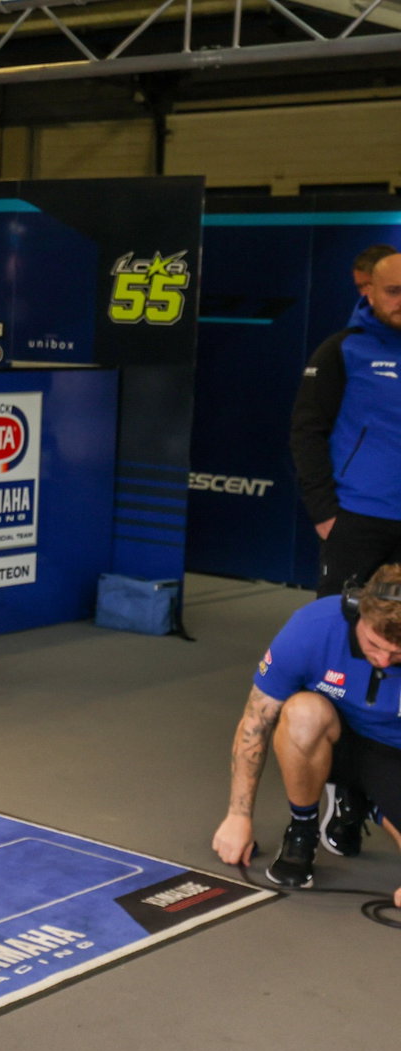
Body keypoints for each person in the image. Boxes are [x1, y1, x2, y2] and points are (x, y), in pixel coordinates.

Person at [211, 565, 401, 907]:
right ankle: (303, 828)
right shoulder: (313, 627)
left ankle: (364, 801)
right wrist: (238, 816)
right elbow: (256, 721)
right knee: (302, 711)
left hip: (392, 750)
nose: (384, 660)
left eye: (397, 653)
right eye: (374, 643)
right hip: (330, 734)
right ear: (358, 610)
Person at [291, 251, 401, 597]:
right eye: (393, 291)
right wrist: (324, 512)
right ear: (370, 292)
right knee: (341, 627)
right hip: (358, 519)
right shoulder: (343, 349)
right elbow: (307, 431)